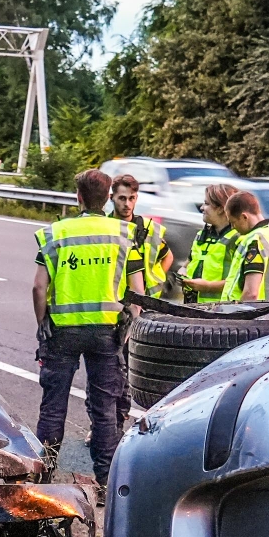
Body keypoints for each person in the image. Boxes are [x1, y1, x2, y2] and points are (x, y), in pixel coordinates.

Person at [31, 168, 131, 479]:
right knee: (104, 410)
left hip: (62, 332)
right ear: (109, 198)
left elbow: (38, 287)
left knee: (52, 406)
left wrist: (42, 322)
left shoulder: (55, 233)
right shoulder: (123, 234)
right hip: (107, 331)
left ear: (78, 198)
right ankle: (104, 481)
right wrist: (127, 327)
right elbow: (138, 291)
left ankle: (45, 476)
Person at [109, 173, 178, 428]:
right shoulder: (107, 227)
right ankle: (113, 422)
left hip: (145, 309)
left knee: (139, 369)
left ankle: (133, 420)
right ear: (111, 198)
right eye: (122, 198)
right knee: (116, 369)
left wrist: (154, 282)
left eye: (132, 198)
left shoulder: (148, 229)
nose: (127, 204)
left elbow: (166, 256)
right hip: (117, 308)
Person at [224, 190, 269, 302]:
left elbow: (251, 293)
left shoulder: (255, 241)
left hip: (258, 313)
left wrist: (238, 314)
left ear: (244, 217)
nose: (233, 227)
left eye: (233, 222)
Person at [184, 184, 242, 304]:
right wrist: (182, 272)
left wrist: (208, 286)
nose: (202, 208)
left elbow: (240, 281)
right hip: (193, 305)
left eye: (207, 203)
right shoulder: (202, 235)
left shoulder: (237, 239)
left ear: (221, 208)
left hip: (220, 309)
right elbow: (187, 264)